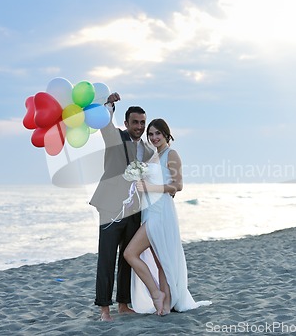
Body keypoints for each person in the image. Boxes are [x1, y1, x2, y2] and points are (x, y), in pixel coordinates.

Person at [124, 118, 211, 315]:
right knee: (160, 260)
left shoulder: (171, 154)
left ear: (166, 134)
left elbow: (177, 186)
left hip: (161, 212)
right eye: (151, 134)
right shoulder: (154, 156)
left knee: (130, 253)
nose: (154, 138)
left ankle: (157, 294)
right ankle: (165, 302)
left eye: (158, 134)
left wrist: (149, 187)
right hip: (148, 211)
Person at [89, 93, 155, 322]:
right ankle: (104, 310)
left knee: (128, 257)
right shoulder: (116, 137)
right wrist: (109, 106)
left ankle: (123, 304)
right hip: (109, 207)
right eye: (135, 122)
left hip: (134, 210)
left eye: (142, 123)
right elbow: (105, 124)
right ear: (126, 123)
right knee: (106, 258)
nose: (139, 126)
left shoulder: (147, 150)